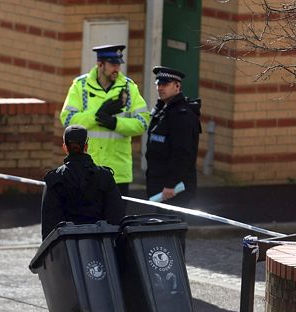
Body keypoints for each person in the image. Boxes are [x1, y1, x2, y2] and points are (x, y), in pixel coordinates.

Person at [60, 44, 150, 197]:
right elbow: (68, 119)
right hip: (87, 169)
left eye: (118, 64)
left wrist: (115, 123)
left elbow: (142, 123)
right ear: (100, 64)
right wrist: (96, 116)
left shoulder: (129, 87)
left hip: (118, 172)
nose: (117, 69)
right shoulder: (80, 86)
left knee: (115, 219)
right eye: (112, 64)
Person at [41, 125, 125, 240]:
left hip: (68, 248)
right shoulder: (105, 176)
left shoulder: (55, 179)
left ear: (65, 147)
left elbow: (49, 226)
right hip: (102, 247)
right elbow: (116, 217)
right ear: (86, 146)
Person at [145, 66, 201, 206]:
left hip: (173, 189)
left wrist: (171, 184)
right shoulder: (162, 111)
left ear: (177, 86)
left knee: (171, 226)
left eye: (165, 84)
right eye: (158, 84)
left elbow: (183, 153)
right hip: (159, 186)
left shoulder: (182, 116)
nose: (160, 88)